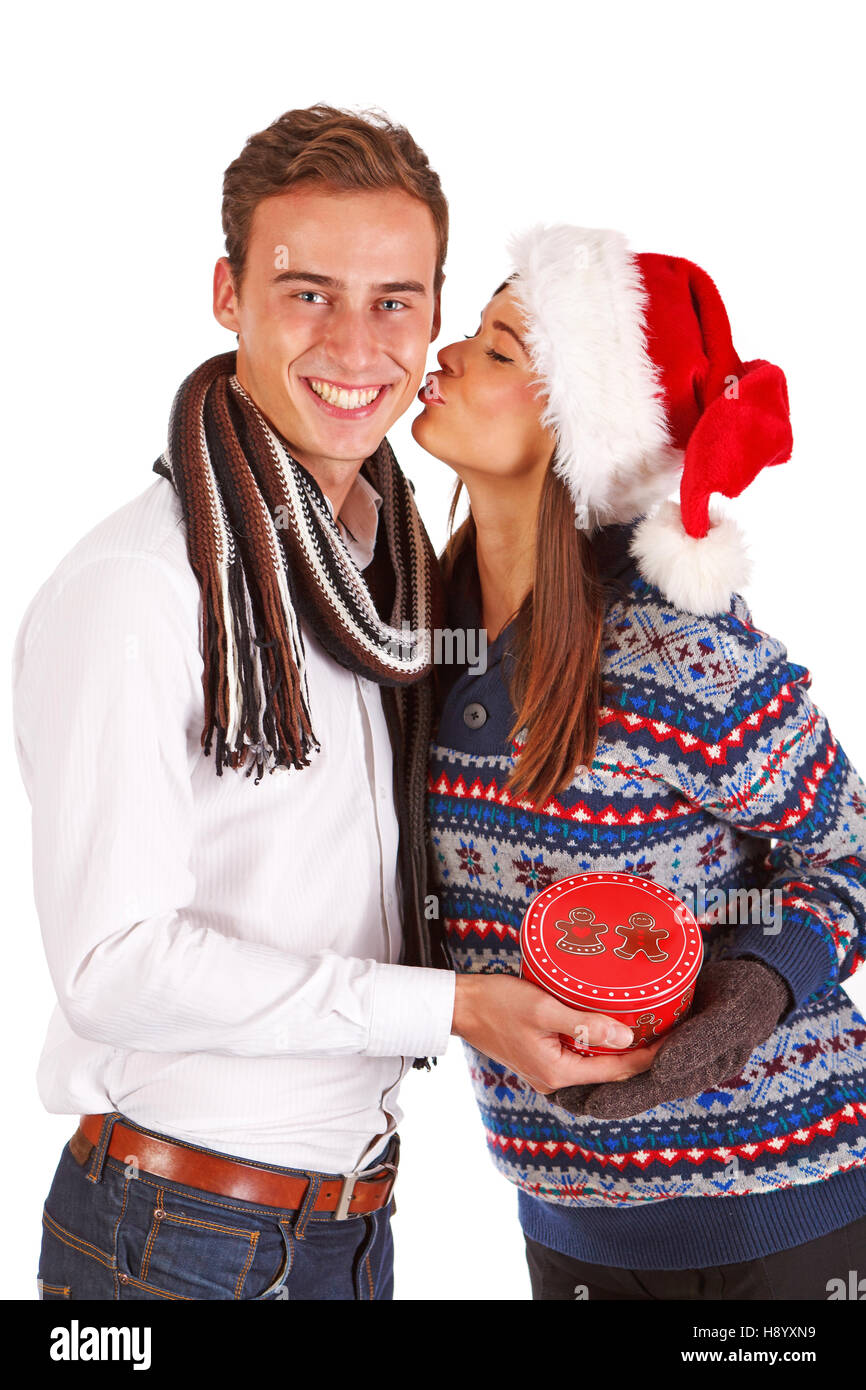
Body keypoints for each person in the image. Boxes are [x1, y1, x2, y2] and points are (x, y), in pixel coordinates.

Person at [11, 114, 655, 1303]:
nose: (356, 346)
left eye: (395, 301)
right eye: (307, 293)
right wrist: (457, 1005)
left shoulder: (388, 572)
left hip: (344, 1225)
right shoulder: (141, 589)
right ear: (228, 294)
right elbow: (114, 964)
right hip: (176, 1241)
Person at [414, 223, 866, 1300]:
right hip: (565, 1221)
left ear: (582, 424)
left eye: (496, 350)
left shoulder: (680, 652)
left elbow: (846, 853)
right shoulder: (420, 639)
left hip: (780, 1215)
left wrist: (755, 987)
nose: (444, 355)